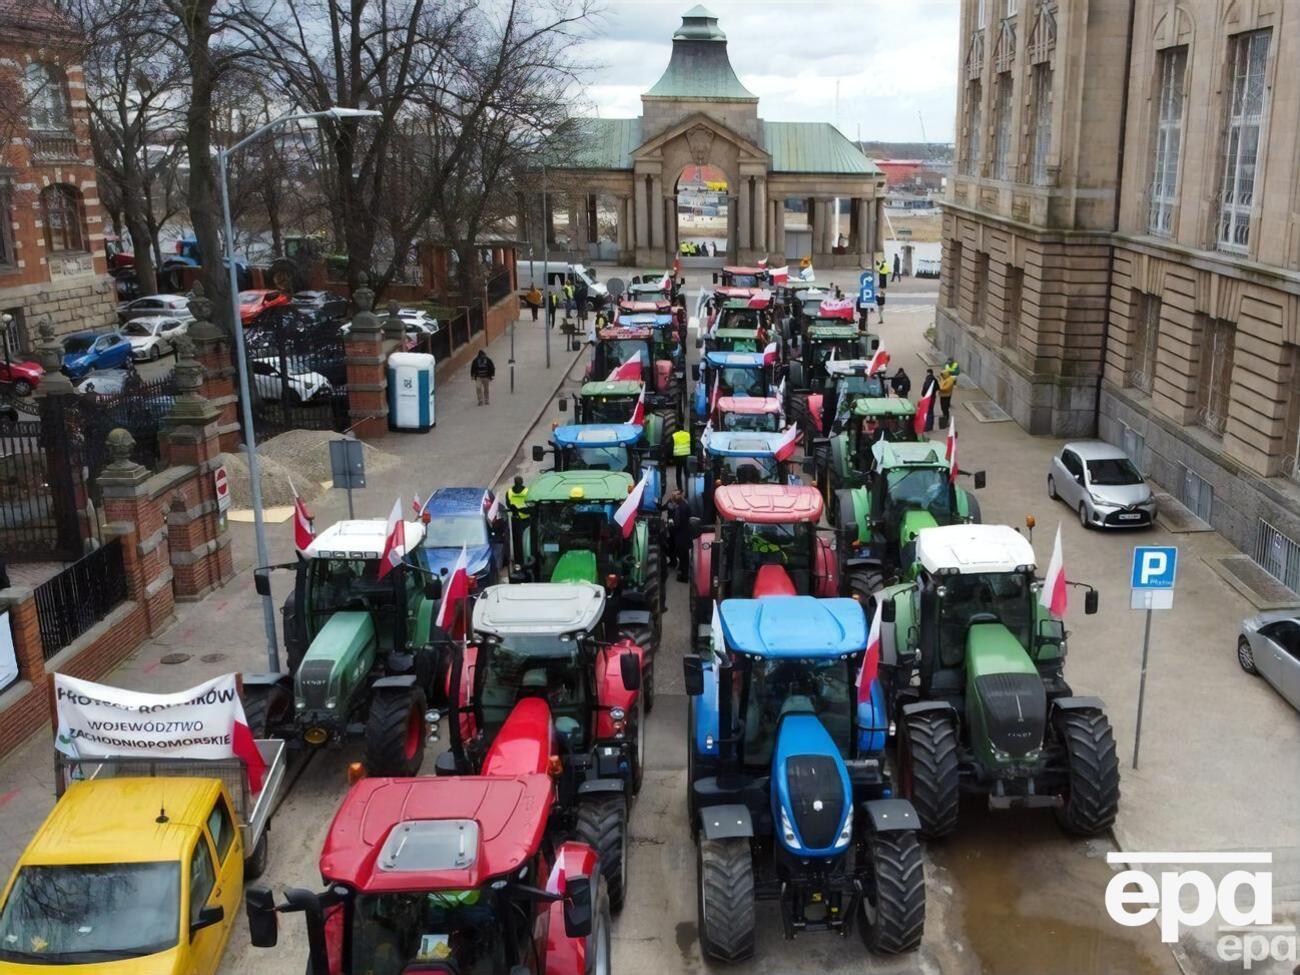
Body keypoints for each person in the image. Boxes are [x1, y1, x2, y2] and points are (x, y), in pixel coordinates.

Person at [665, 490, 692, 583]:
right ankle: (683, 574)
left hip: (681, 536)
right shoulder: (685, 505)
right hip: (685, 535)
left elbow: (678, 523)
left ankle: (684, 576)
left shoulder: (680, 509)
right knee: (684, 557)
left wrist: (671, 524)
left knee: (683, 557)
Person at [505, 476, 529, 558]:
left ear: (514, 482)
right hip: (526, 518)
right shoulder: (527, 491)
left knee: (517, 540)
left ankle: (518, 557)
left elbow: (508, 504)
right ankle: (525, 554)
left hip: (515, 519)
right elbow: (530, 504)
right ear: (522, 482)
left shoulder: (509, 492)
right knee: (527, 539)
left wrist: (515, 510)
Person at [670, 426, 691, 491]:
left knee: (678, 473)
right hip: (686, 456)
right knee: (687, 474)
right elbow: (691, 444)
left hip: (678, 457)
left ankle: (680, 489)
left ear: (676, 429)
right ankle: (688, 490)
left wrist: (671, 458)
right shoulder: (688, 435)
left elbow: (671, 447)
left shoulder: (674, 435)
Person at [920, 368, 938, 432]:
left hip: (928, 397)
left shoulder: (927, 379)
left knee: (928, 411)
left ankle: (927, 427)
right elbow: (938, 388)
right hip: (933, 397)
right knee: (931, 411)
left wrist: (923, 394)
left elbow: (924, 388)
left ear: (928, 373)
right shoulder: (935, 379)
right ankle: (931, 426)